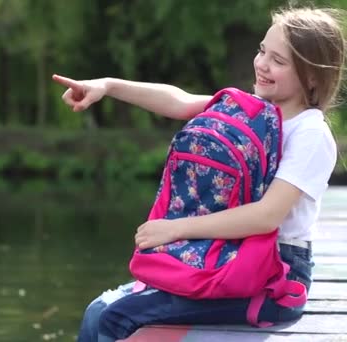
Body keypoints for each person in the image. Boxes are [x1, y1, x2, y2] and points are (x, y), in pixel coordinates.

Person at [52, 6, 343, 342]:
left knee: (114, 317)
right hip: (230, 254)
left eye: (278, 61)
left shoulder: (310, 134)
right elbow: (181, 102)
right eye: (262, 51)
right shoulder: (252, 111)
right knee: (98, 311)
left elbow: (267, 216)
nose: (262, 64)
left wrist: (175, 230)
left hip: (274, 277)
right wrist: (107, 85)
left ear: (311, 76)